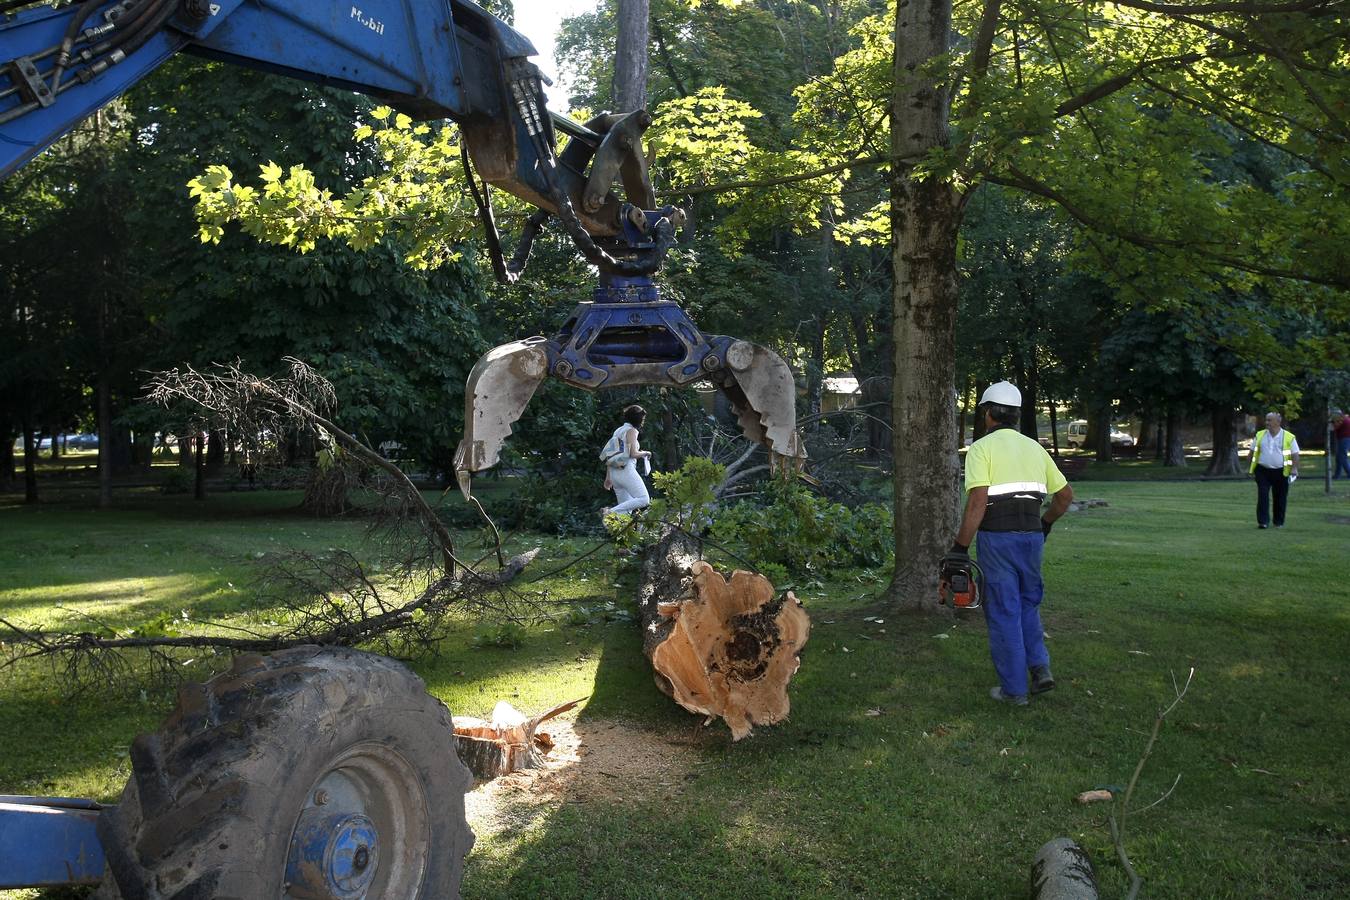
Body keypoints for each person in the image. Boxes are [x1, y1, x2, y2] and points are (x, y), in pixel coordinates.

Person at [951, 381, 1074, 706]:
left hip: (998, 540)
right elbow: (1064, 497)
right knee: (1028, 603)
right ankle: (1040, 668)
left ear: (988, 414)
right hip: (1031, 537)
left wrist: (960, 547)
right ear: (1016, 416)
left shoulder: (981, 449)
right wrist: (1044, 524)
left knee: (1004, 609)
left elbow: (979, 502)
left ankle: (1014, 690)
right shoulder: (1035, 448)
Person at [1249, 411, 1300, 528]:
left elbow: (1295, 454)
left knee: (1280, 497)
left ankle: (1278, 522)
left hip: (1281, 471)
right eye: (1266, 420)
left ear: (1278, 421)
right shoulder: (1260, 435)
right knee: (1263, 495)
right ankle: (1263, 522)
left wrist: (1294, 469)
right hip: (1262, 471)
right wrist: (1251, 468)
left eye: (1269, 420)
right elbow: (1252, 453)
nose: (1266, 423)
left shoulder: (1288, 437)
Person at [600, 404, 652, 516]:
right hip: (626, 470)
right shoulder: (631, 431)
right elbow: (633, 453)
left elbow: (611, 456)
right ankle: (610, 512)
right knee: (644, 499)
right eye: (642, 419)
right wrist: (646, 453)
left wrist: (608, 477)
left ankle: (619, 532)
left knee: (624, 515)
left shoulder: (618, 431)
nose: (643, 422)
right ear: (638, 419)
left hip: (615, 473)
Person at [1332, 409, 1350, 480]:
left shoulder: (1340, 419)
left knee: (1342, 457)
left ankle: (1348, 473)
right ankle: (1337, 475)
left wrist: (1332, 423)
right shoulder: (1344, 418)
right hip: (1344, 438)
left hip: (1345, 439)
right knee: (1339, 458)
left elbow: (1334, 428)